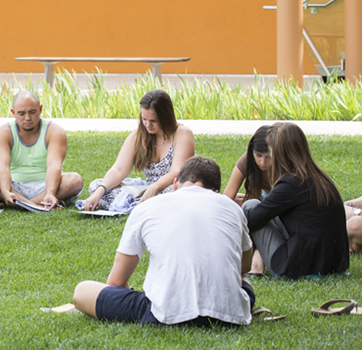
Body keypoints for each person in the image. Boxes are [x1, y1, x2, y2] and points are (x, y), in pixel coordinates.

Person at [72, 156, 255, 327]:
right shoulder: (232, 208)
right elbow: (244, 267)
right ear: (215, 191)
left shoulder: (147, 207)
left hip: (165, 312)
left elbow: (116, 281)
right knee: (244, 281)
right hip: (229, 314)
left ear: (175, 184)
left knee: (82, 291)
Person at [241, 122, 350, 278]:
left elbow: (251, 220)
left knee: (249, 207)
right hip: (333, 264)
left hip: (300, 267)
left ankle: (250, 263)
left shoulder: (290, 183)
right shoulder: (319, 177)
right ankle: (256, 263)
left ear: (280, 153)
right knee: (259, 210)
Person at [82, 89, 194, 212]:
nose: (147, 125)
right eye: (144, 119)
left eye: (153, 121)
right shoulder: (138, 135)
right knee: (96, 185)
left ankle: (129, 205)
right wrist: (99, 191)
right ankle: (138, 205)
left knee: (177, 192)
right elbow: (118, 170)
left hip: (168, 187)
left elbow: (177, 172)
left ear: (166, 117)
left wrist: (154, 187)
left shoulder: (182, 133)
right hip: (145, 189)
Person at [0, 90, 83, 210]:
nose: (27, 118)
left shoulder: (54, 131)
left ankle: (20, 204)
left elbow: (54, 166)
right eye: (21, 114)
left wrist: (50, 193)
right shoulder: (2, 132)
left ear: (40, 109)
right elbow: (3, 167)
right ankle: (37, 205)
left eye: (32, 112)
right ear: (13, 112)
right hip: (13, 186)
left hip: (45, 186)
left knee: (75, 180)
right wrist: (6, 191)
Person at [222, 125, 272, 205]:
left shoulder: (284, 162)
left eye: (268, 157)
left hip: (284, 200)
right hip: (267, 198)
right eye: (258, 155)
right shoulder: (246, 160)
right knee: (234, 200)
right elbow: (226, 198)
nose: (263, 162)